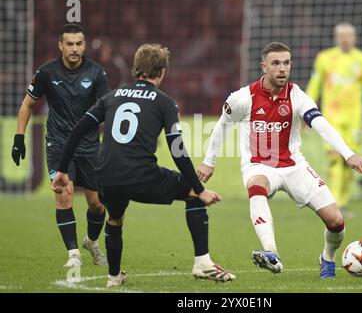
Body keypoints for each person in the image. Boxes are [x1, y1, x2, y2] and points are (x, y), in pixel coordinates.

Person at [51, 43, 236, 287]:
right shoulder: (165, 102)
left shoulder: (111, 97)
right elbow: (177, 150)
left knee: (115, 219)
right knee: (191, 194)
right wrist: (199, 189)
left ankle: (113, 277)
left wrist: (62, 170)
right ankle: (202, 262)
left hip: (105, 176)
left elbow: (77, 131)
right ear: (161, 73)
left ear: (135, 70)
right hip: (141, 176)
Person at [197, 42, 362, 278]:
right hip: (259, 165)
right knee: (256, 186)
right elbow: (221, 126)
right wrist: (209, 161)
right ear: (264, 67)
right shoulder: (243, 97)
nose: (282, 69)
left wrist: (348, 153)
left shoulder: (298, 96)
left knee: (336, 221)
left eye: (286, 63)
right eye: (276, 63)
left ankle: (327, 258)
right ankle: (271, 252)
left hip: (294, 166)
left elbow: (320, 124)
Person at [12, 24, 109, 268]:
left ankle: (91, 242)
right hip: (58, 144)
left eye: (79, 44)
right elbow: (27, 105)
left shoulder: (97, 73)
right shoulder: (46, 73)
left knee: (97, 205)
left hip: (89, 146)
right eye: (69, 44)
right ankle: (73, 254)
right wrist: (18, 139)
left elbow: (108, 111)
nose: (74, 49)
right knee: (64, 195)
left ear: (84, 45)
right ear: (60, 45)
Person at [306, 23, 362, 218]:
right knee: (334, 158)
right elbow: (315, 85)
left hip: (354, 120)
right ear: (336, 38)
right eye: (342, 36)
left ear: (354, 38)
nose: (345, 39)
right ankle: (335, 203)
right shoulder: (324, 58)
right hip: (330, 118)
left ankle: (342, 202)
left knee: (350, 161)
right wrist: (304, 110)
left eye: (349, 36)